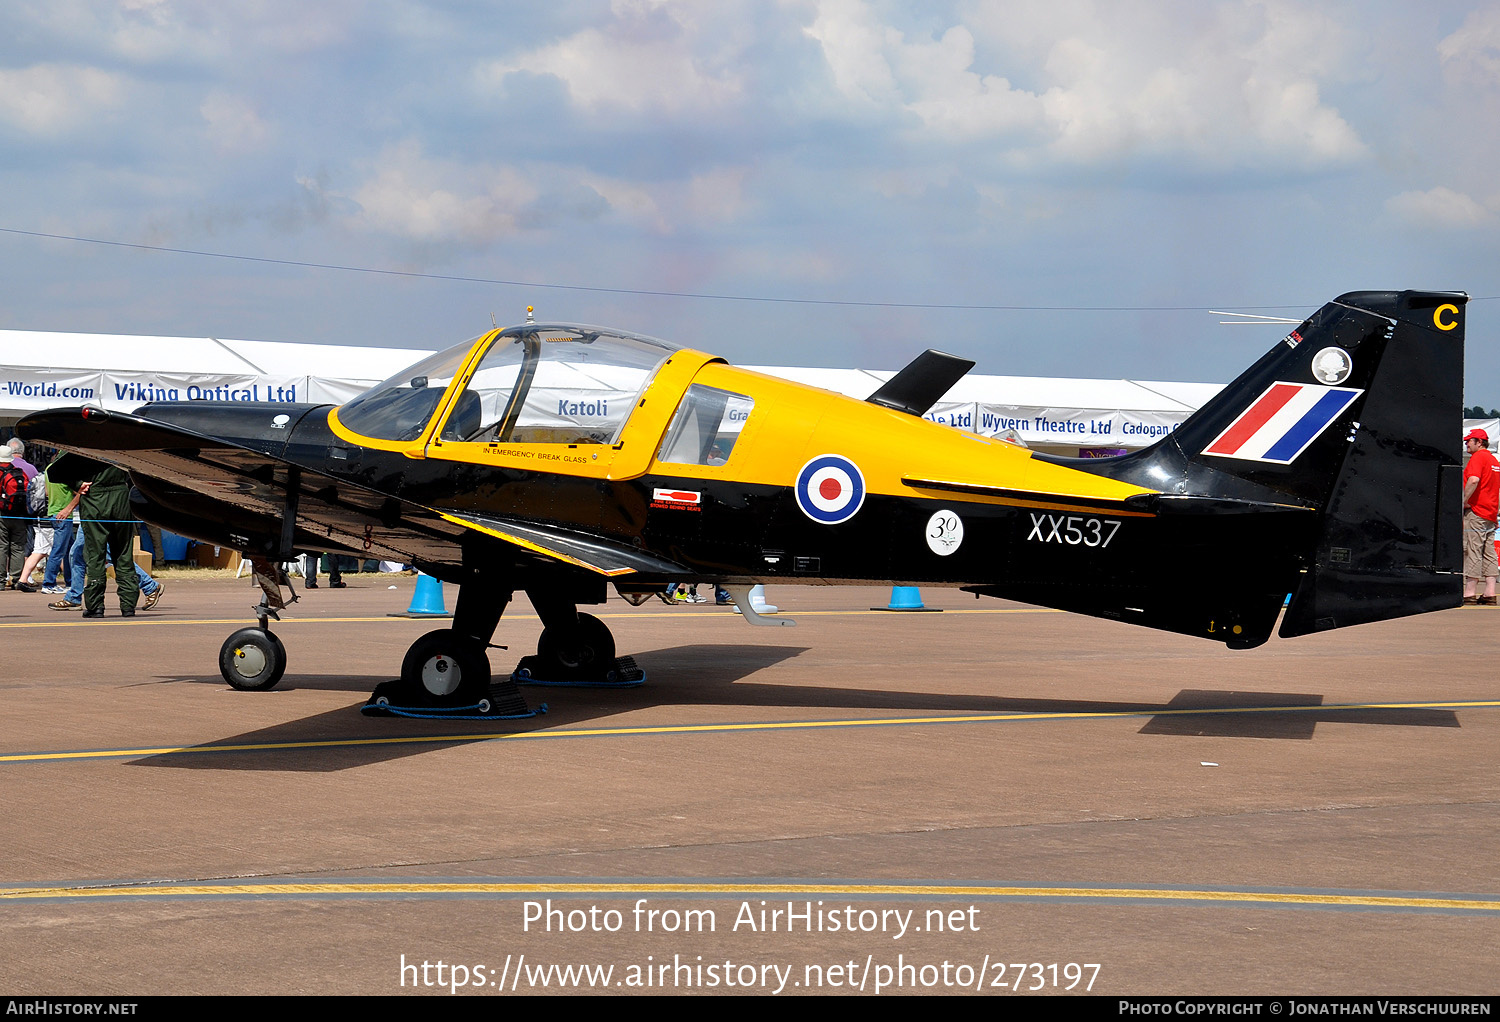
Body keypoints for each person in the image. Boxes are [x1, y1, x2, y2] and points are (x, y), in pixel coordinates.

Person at [79, 465, 138, 618]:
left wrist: (77, 484)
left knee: (96, 553)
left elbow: (58, 469)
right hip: (120, 496)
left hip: (94, 497)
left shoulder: (81, 441)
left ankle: (95, 606)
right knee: (123, 551)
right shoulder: (123, 441)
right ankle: (128, 605)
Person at [1461, 427, 1499, 605]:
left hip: (1476, 511)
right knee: (1489, 552)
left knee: (1473, 550)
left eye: (1469, 441)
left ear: (1479, 442)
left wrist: (1463, 501)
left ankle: (1469, 592)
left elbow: (1474, 480)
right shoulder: (1494, 461)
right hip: (1490, 512)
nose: (1466, 443)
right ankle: (1490, 592)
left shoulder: (1478, 458)